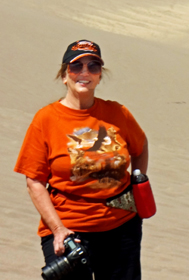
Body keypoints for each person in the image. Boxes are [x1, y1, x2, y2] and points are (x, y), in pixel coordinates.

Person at [14, 39, 149, 280]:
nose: (84, 73)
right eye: (76, 67)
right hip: (69, 230)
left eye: (93, 67)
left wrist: (139, 183)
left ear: (99, 76)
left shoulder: (118, 113)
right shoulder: (45, 120)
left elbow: (140, 148)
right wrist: (57, 230)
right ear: (65, 76)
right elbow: (34, 181)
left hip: (121, 228)